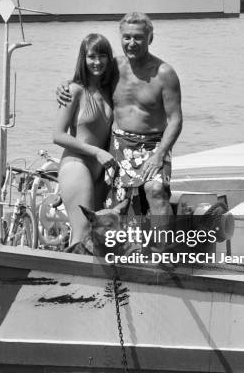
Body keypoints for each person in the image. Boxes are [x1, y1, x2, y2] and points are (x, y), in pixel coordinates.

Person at [57, 13, 182, 225]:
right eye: (127, 38)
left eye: (138, 38)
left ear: (150, 38)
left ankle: (165, 253)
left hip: (153, 147)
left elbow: (176, 120)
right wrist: (65, 85)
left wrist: (159, 155)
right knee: (115, 209)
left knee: (156, 190)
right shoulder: (113, 67)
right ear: (121, 38)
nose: (131, 43)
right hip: (119, 146)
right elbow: (88, 80)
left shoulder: (164, 73)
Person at [53, 33, 116, 247]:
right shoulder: (74, 90)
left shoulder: (109, 90)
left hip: (99, 173)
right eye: (91, 56)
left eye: (102, 56)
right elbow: (58, 135)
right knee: (83, 235)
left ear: (109, 58)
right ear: (83, 58)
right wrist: (97, 152)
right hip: (77, 166)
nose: (97, 62)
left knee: (97, 237)